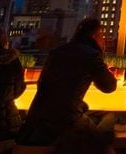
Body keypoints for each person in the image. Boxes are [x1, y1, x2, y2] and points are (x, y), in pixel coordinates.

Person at [18, 17, 117, 146]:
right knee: (110, 119)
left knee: (90, 114)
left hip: (36, 120)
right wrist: (105, 70)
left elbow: (47, 85)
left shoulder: (57, 52)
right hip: (65, 122)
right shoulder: (92, 55)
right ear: (94, 35)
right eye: (102, 36)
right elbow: (109, 87)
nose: (103, 40)